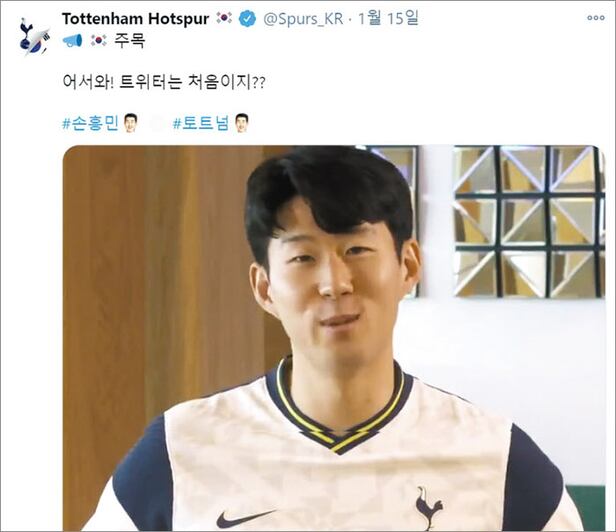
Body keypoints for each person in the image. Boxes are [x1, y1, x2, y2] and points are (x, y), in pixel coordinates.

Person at [83, 146, 583, 531]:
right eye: (303, 258)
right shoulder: (181, 448)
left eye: (356, 250)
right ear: (264, 288)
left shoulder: (497, 457)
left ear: (408, 265)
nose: (334, 283)